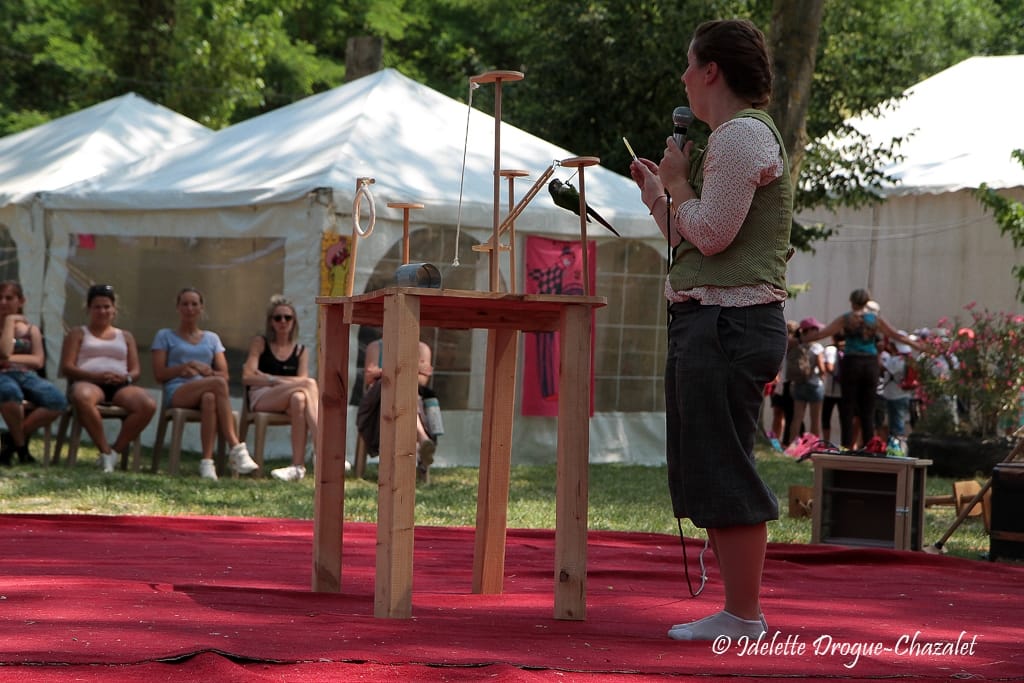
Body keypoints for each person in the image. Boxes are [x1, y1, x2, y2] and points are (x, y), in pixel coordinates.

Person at [629, 19, 790, 641]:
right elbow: (695, 236)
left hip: (730, 323)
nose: (682, 76)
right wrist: (659, 195)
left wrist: (672, 185)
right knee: (709, 463)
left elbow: (713, 232)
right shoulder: (735, 137)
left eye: (687, 63)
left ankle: (744, 616)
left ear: (711, 71)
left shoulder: (741, 136)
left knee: (723, 465)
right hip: (719, 320)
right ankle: (738, 610)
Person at [151, 287, 258, 480]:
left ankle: (207, 463)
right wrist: (183, 368)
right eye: (185, 304)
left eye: (194, 304)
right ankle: (236, 447)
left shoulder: (211, 338)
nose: (189, 308)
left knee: (210, 397)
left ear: (201, 308)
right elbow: (159, 374)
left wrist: (207, 371)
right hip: (177, 391)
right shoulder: (165, 336)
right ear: (178, 308)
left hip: (205, 390)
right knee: (215, 385)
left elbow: (223, 375)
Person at [801, 289, 923, 449]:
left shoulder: (846, 319)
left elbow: (823, 333)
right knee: (868, 407)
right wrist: (919, 346)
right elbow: (896, 335)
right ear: (867, 302)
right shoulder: (875, 320)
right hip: (870, 363)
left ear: (851, 302)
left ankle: (846, 445)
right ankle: (869, 445)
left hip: (852, 362)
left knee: (848, 406)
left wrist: (800, 339)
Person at [59, 284, 157, 472]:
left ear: (114, 309)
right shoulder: (78, 333)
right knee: (82, 397)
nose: (102, 311)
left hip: (119, 384)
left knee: (147, 404)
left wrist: (125, 378)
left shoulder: (125, 336)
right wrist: (94, 376)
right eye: (97, 307)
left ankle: (114, 452)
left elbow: (135, 370)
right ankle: (104, 450)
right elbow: (67, 367)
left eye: (106, 307)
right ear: (88, 309)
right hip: (89, 382)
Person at [241, 295, 319, 482]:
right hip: (260, 397)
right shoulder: (260, 343)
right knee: (309, 384)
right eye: (278, 318)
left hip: (286, 397)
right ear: (270, 322)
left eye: (287, 317)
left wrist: (270, 378)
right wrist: (281, 381)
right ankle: (324, 450)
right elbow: (247, 377)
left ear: (294, 322)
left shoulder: (300, 351)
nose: (283, 322)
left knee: (300, 398)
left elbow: (300, 380)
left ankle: (297, 467)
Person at [0, 281, 68, 465]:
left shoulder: (32, 330)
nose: (3, 302)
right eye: (0, 298)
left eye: (9, 298)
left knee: (57, 401)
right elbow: (4, 350)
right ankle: (22, 450)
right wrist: (9, 321)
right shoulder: (7, 325)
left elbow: (37, 361)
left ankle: (12, 441)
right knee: (10, 393)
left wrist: (8, 360)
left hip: (26, 375)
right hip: (2, 377)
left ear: (21, 301)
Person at [361, 336, 440, 482]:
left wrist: (386, 371)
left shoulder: (422, 348)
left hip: (413, 399)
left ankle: (422, 444)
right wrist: (409, 368)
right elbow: (369, 378)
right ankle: (423, 440)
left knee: (405, 390)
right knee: (395, 388)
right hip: (379, 405)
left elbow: (422, 380)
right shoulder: (375, 346)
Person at [788, 317, 827, 438]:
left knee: (797, 418)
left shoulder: (795, 345)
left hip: (798, 384)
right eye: (816, 329)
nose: (817, 332)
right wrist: (822, 374)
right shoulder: (817, 347)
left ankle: (792, 445)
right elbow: (821, 368)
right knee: (815, 419)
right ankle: (814, 446)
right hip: (814, 385)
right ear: (810, 330)